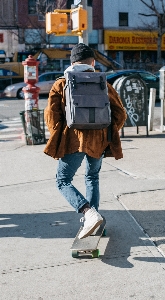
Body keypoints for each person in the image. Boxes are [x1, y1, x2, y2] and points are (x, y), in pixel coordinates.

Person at [44, 43, 127, 239]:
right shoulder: (103, 84)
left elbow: (51, 116)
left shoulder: (61, 84)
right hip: (99, 140)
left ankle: (88, 213)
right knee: (92, 177)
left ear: (72, 62)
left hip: (73, 139)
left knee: (63, 180)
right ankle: (95, 220)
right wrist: (109, 132)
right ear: (92, 62)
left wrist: (58, 136)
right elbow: (120, 114)